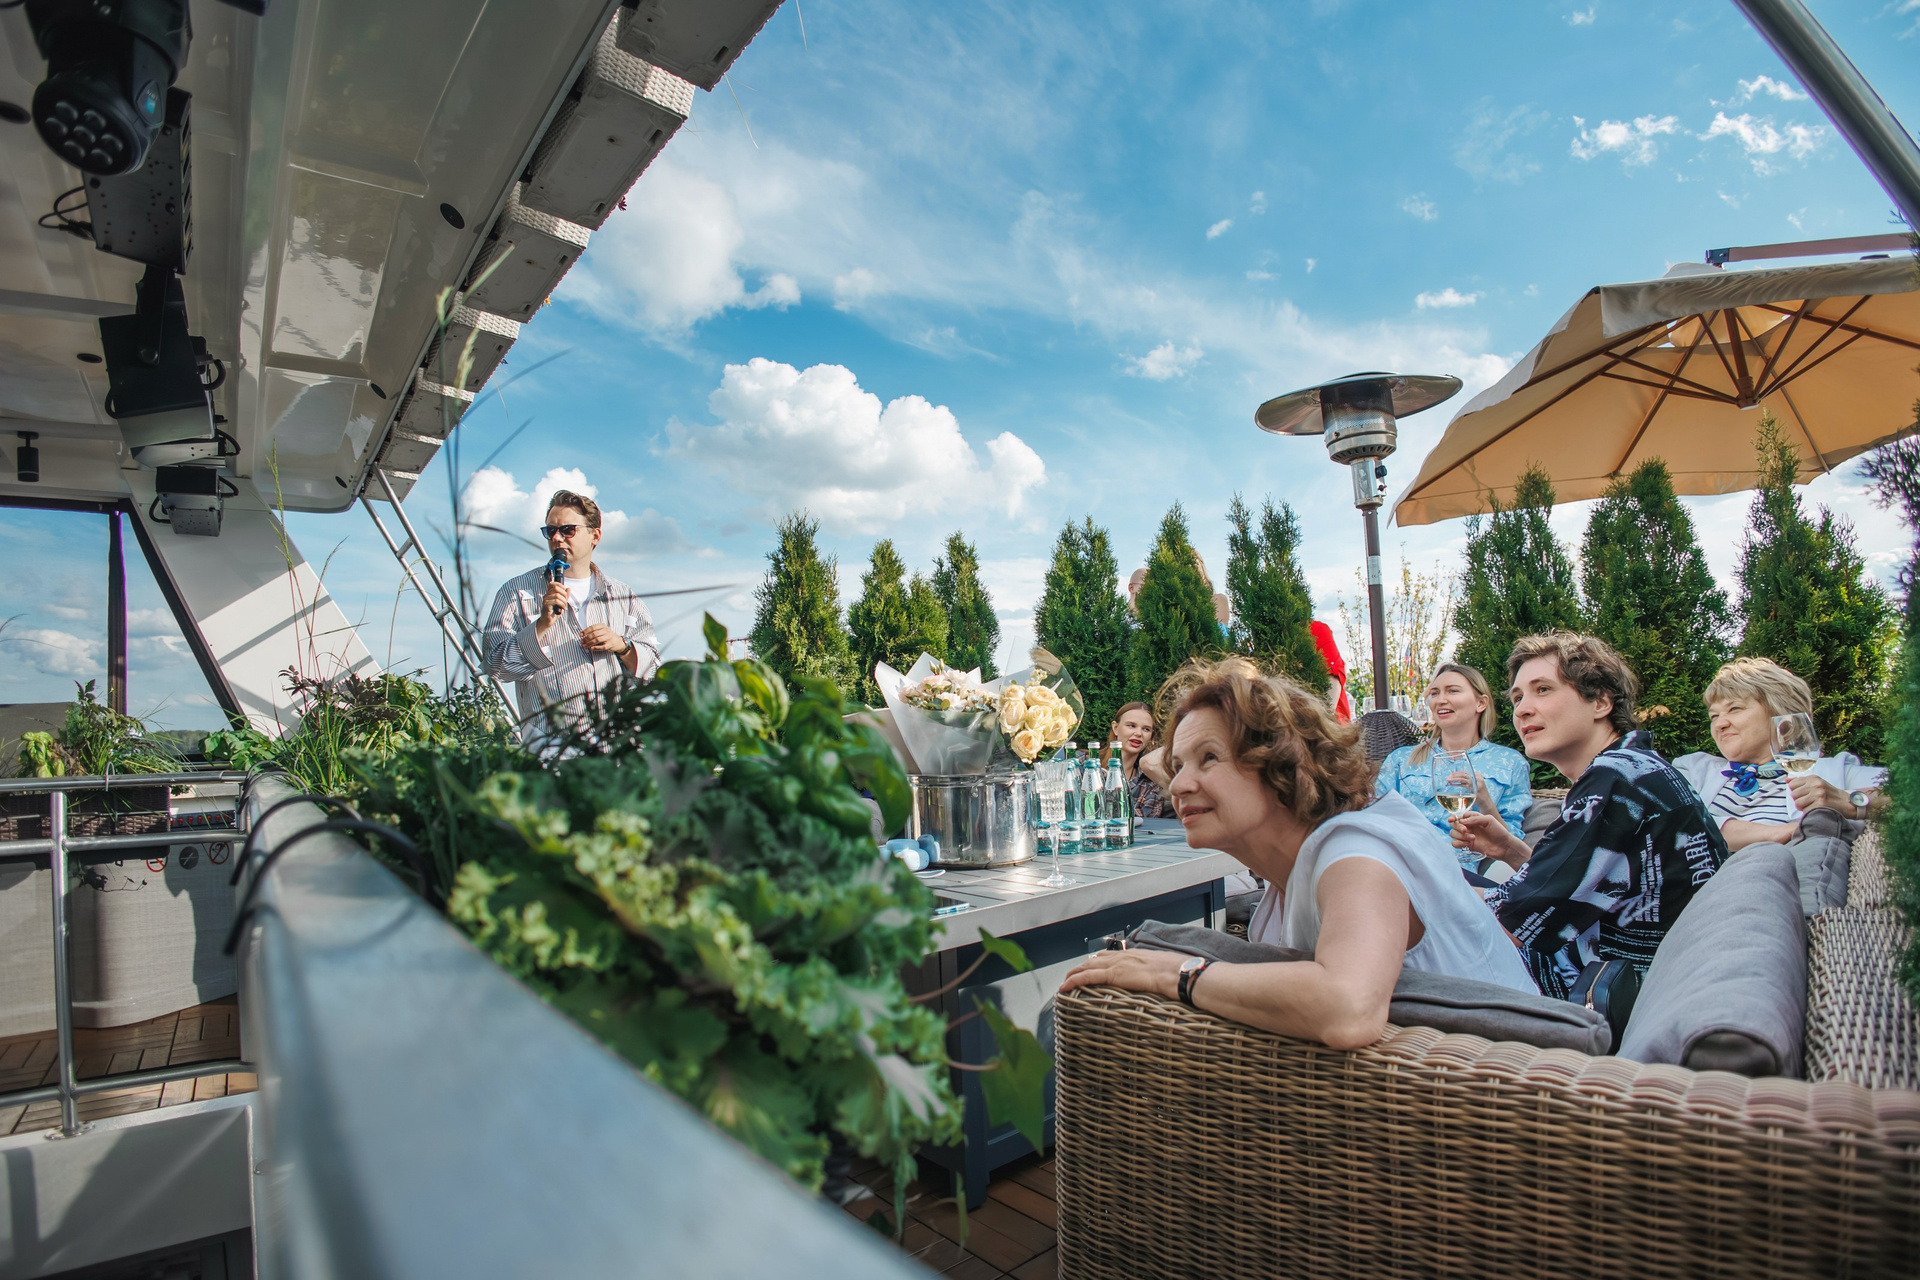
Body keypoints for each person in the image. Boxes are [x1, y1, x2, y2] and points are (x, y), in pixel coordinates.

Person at [1060, 658, 1536, 1051]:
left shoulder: (1357, 853)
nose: (1180, 784)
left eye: (1209, 758)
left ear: (1282, 765)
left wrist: (1179, 973)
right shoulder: (1288, 881)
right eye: (1179, 764)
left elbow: (1348, 1009)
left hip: (1515, 1097)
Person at [1452, 632, 1727, 999]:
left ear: (1600, 701)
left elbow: (1509, 923)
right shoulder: (1636, 768)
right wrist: (1510, 850)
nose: (1522, 710)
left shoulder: (1614, 781)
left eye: (1542, 690)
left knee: (1419, 881)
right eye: (1518, 698)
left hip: (1590, 992)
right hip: (1610, 971)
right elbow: (1581, 889)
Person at [483, 489, 660, 732]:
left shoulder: (624, 597)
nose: (557, 538)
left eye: (568, 530)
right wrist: (540, 626)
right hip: (551, 746)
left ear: (595, 536)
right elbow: (494, 667)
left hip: (614, 744)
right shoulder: (515, 592)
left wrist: (622, 646)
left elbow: (654, 671)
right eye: (550, 531)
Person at [1674, 656, 1887, 850]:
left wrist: (1847, 801)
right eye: (1713, 716)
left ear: (1781, 713)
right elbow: (1671, 822)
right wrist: (1779, 833)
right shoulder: (1693, 771)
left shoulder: (1830, 773)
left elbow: (1902, 794)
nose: (1720, 724)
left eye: (1734, 709)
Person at [1374, 663, 1530, 872]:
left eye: (1453, 691)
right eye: (1435, 693)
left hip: (1457, 872)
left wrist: (1485, 802)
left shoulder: (1509, 762)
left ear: (1481, 703)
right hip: (1400, 862)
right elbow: (1374, 814)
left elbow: (1510, 845)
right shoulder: (1401, 759)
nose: (1440, 700)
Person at [1107, 701, 1174, 818]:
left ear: (1151, 736)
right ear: (1115, 728)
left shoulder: (1150, 783)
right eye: (1131, 726)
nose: (1138, 733)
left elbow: (1147, 820)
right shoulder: (1083, 764)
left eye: (1146, 729)